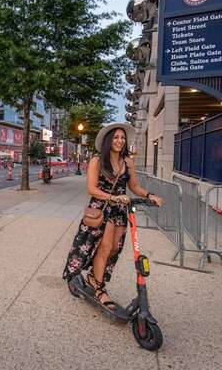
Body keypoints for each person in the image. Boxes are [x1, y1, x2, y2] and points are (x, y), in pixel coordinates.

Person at [63, 123, 162, 310]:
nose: (120, 141)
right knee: (105, 247)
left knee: (114, 248)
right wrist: (113, 197)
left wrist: (149, 196)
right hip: (101, 209)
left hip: (119, 212)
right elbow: (91, 188)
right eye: (116, 137)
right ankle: (99, 288)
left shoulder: (127, 162)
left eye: (122, 137)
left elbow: (134, 186)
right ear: (109, 140)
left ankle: (93, 276)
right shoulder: (97, 161)